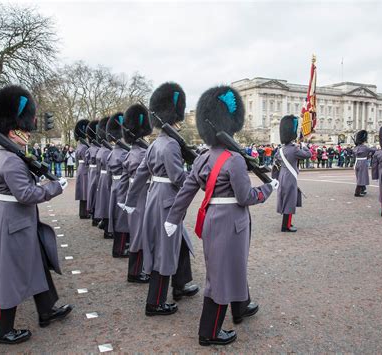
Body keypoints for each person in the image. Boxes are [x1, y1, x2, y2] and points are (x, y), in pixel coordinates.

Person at [165, 86, 278, 346]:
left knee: (226, 268)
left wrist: (173, 218)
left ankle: (240, 307)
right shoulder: (235, 160)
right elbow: (246, 197)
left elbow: (185, 192)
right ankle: (209, 332)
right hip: (233, 223)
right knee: (221, 276)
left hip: (213, 219)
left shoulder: (203, 158)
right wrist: (268, 189)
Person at [0, 85, 72, 345]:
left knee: (37, 262)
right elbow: (26, 194)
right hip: (12, 220)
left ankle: (47, 309)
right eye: (24, 130)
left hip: (13, 220)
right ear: (12, 130)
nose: (28, 134)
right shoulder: (10, 159)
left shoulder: (4, 154)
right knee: (7, 277)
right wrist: (55, 187)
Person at [124, 82, 199, 316]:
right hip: (167, 200)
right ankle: (155, 302)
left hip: (155, 197)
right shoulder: (171, 145)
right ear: (174, 118)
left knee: (181, 242)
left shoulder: (156, 143)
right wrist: (198, 174)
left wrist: (129, 199)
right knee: (164, 250)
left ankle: (180, 284)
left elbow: (141, 175)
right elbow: (178, 178)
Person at [116, 105, 153, 281]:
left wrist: (122, 199)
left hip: (133, 197)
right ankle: (135, 272)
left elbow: (124, 179)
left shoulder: (131, 152)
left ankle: (139, 269)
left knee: (137, 233)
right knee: (140, 235)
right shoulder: (144, 153)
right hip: (142, 196)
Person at [275, 115, 311, 232]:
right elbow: (308, 155)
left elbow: (275, 166)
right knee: (290, 200)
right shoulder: (294, 149)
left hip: (282, 176)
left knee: (285, 199)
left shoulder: (280, 150)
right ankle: (286, 226)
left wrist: (275, 179)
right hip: (290, 177)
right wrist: (304, 146)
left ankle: (286, 224)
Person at [106, 112, 131, 256]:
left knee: (118, 218)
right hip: (122, 186)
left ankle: (119, 248)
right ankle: (120, 249)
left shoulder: (113, 152)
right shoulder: (123, 153)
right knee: (122, 220)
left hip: (115, 185)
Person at [94, 116, 113, 238]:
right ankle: (107, 228)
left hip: (102, 177)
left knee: (105, 203)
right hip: (107, 178)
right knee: (107, 204)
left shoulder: (102, 149)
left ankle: (105, 224)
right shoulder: (107, 151)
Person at [73, 119, 90, 218]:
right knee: (85, 193)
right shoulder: (84, 147)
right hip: (85, 169)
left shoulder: (80, 145)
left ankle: (83, 213)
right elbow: (87, 159)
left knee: (83, 193)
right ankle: (85, 213)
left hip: (80, 168)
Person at [85, 120, 101, 225]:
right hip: (96, 171)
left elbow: (86, 161)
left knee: (92, 192)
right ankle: (95, 216)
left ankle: (92, 214)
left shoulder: (90, 148)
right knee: (96, 193)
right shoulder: (98, 149)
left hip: (91, 171)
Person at [353, 130, 376, 197]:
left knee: (359, 177)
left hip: (357, 163)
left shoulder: (356, 147)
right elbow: (374, 150)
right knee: (362, 177)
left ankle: (363, 189)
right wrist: (373, 147)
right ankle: (357, 192)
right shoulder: (364, 147)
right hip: (362, 163)